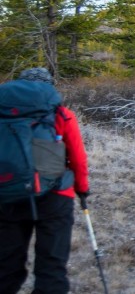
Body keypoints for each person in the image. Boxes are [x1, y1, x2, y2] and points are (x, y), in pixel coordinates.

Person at [0, 67, 89, 294]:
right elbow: (78, 158)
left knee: (6, 266)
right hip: (55, 195)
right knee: (52, 267)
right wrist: (82, 190)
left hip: (8, 194)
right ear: (49, 86)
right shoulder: (61, 114)